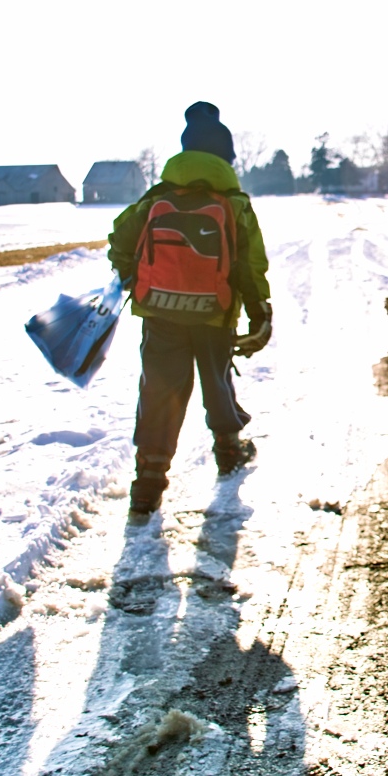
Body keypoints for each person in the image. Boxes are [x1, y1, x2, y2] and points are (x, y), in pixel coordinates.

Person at [107, 102, 272, 519]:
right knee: (217, 381)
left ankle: (148, 482)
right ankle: (229, 452)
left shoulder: (158, 197)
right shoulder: (234, 203)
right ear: (225, 158)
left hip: (160, 311)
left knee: (159, 389)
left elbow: (121, 238)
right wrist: (260, 311)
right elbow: (249, 265)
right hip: (214, 312)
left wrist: (130, 273)